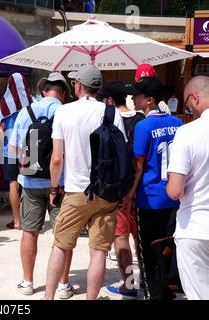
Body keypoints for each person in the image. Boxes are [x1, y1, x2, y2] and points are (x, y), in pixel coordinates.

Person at [43, 65, 126, 300]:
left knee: (61, 245)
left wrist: (53, 188)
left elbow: (57, 159)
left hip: (75, 190)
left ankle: (48, 297)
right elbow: (121, 154)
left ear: (78, 85)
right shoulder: (112, 113)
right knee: (98, 251)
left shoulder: (64, 112)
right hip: (106, 191)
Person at [9, 72, 75, 299]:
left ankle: (27, 282)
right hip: (61, 183)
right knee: (63, 235)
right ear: (64, 94)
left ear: (44, 90)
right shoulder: (67, 113)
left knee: (29, 232)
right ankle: (63, 285)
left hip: (30, 180)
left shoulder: (25, 113)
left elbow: (13, 150)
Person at [125, 76, 183, 300]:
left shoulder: (143, 126)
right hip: (174, 196)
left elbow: (138, 166)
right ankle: (168, 288)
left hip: (149, 197)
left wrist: (130, 195)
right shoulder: (178, 123)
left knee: (148, 251)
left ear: (149, 100)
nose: (133, 97)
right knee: (168, 246)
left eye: (137, 95)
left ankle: (153, 293)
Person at [98, 80, 145, 299]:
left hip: (121, 189)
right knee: (141, 237)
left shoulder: (109, 122)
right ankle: (146, 279)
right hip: (143, 189)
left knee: (121, 238)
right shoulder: (141, 120)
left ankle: (129, 284)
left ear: (108, 100)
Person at [166, 75, 209, 300]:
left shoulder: (187, 132)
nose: (188, 110)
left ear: (195, 97)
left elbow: (175, 190)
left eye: (187, 106)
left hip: (195, 226)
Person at [0, 73, 33, 230]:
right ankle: (29, 220)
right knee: (29, 185)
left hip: (9, 151)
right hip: (30, 150)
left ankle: (17, 221)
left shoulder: (5, 106)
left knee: (13, 184)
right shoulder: (32, 104)